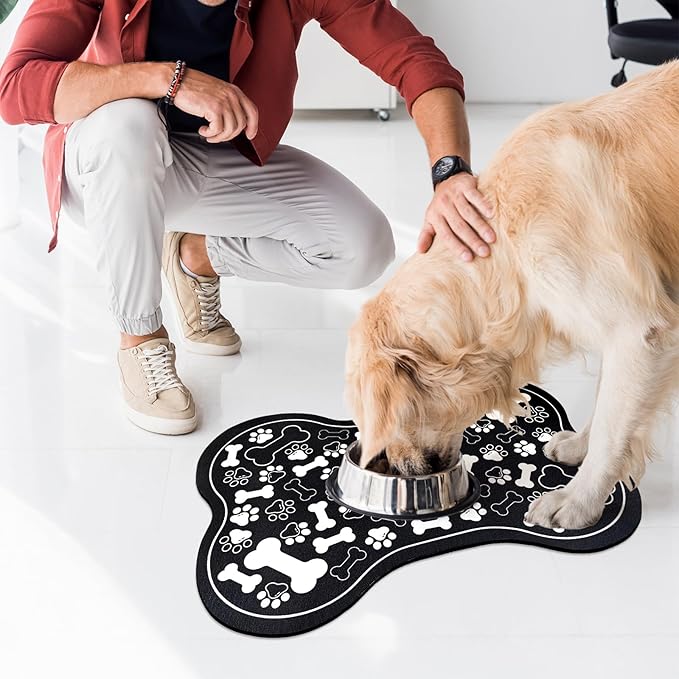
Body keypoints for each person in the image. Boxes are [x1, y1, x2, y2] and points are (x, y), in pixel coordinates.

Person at [0, 0, 495, 435]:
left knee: (362, 246)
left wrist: (450, 173)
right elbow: (16, 86)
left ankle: (194, 255)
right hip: (103, 165)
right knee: (127, 122)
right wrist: (167, 79)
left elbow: (414, 59)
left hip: (206, 160)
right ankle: (141, 337)